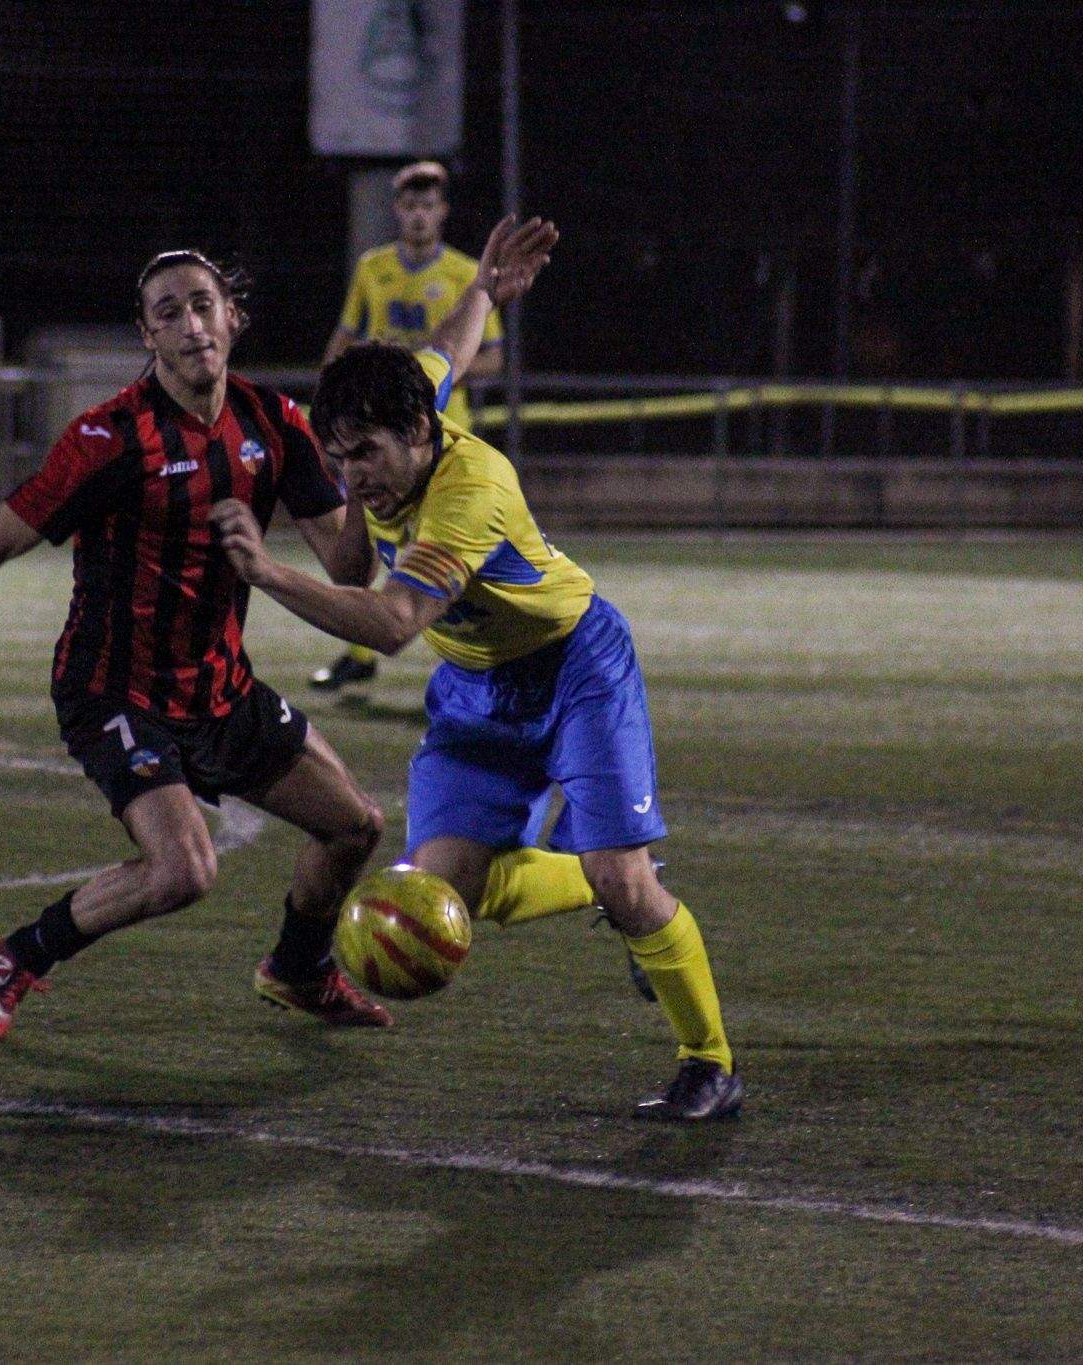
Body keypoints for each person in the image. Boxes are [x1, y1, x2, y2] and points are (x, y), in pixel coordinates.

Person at [210, 215, 743, 1121]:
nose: (353, 476)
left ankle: (709, 1062)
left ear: (420, 431)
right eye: (339, 459)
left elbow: (391, 623)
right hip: (475, 689)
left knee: (626, 885)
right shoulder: (404, 410)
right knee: (447, 889)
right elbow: (445, 351)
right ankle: (612, 880)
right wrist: (485, 292)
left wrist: (268, 572)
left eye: (366, 456)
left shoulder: (471, 490)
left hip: (575, 669)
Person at [0, 249, 396, 1042]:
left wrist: (364, 484)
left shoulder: (275, 423)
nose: (191, 324)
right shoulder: (110, 437)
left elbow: (347, 570)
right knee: (184, 870)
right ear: (148, 335)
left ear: (232, 316)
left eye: (203, 305)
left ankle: (299, 970)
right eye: (169, 313)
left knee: (356, 826)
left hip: (220, 691)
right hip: (116, 690)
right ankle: (18, 957)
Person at [310, 161, 504, 694]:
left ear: (443, 212)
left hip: (438, 435)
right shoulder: (373, 268)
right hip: (377, 437)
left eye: (428, 205)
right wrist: (328, 400)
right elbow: (345, 337)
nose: (419, 214)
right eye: (410, 205)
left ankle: (476, 655)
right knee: (367, 538)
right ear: (398, 210)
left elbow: (491, 357)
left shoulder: (466, 272)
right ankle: (359, 652)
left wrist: (421, 373)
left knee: (448, 547)